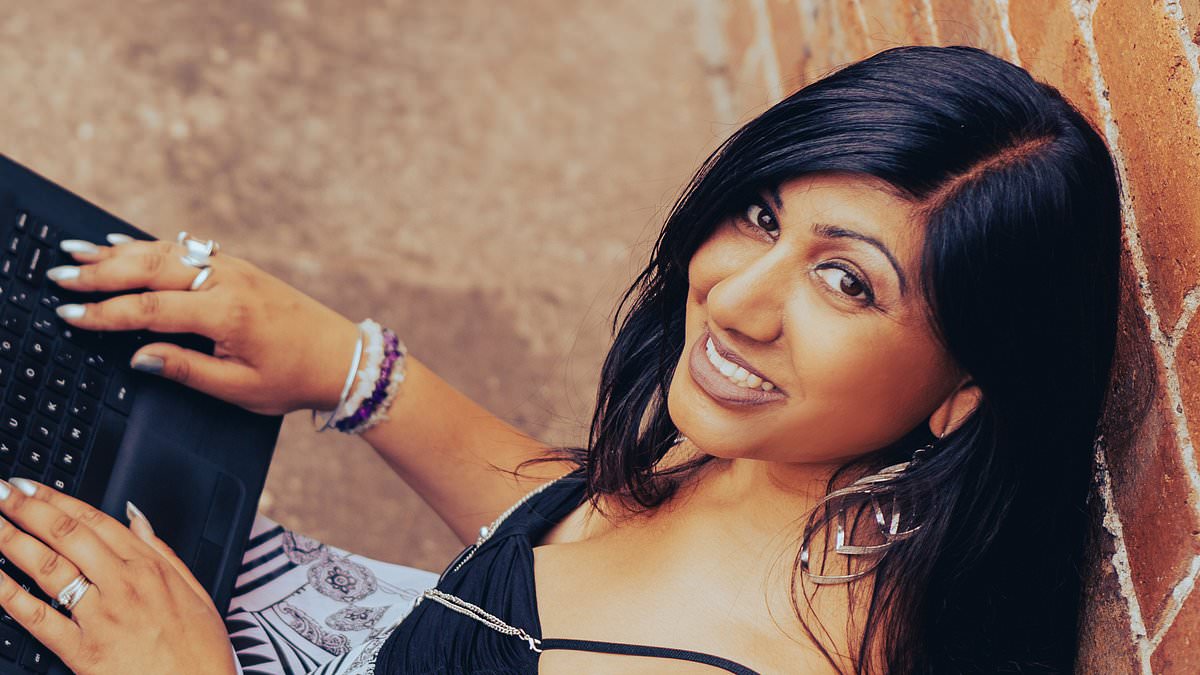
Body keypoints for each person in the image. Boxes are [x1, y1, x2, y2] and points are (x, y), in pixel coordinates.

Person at [0, 43, 1127, 674]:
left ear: (964, 390)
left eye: (847, 282)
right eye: (763, 217)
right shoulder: (821, 480)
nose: (735, 299)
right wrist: (350, 369)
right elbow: (572, 557)